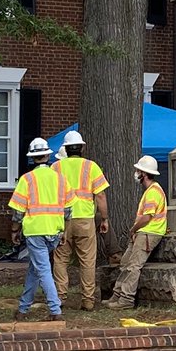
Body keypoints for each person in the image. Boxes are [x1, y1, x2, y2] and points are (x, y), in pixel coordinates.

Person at [8, 137, 72, 322]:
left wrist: (14, 231)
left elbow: (18, 211)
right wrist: (64, 231)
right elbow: (68, 210)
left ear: (32, 158)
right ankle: (23, 308)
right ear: (47, 156)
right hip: (55, 231)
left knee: (42, 269)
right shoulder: (60, 179)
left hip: (35, 231)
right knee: (35, 269)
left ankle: (55, 309)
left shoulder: (27, 179)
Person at [51, 130, 110, 311]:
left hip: (62, 220)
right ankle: (88, 300)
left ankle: (60, 297)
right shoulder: (91, 167)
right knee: (88, 260)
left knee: (60, 259)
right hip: (85, 219)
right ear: (82, 148)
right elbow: (100, 195)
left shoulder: (56, 168)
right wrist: (104, 219)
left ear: (66, 149)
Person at [107, 155, 167, 310]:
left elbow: (147, 217)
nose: (136, 173)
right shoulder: (151, 190)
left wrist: (133, 229)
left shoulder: (153, 192)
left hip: (148, 233)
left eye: (138, 170)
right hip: (143, 233)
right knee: (125, 263)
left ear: (144, 173)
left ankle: (126, 299)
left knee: (133, 266)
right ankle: (117, 295)